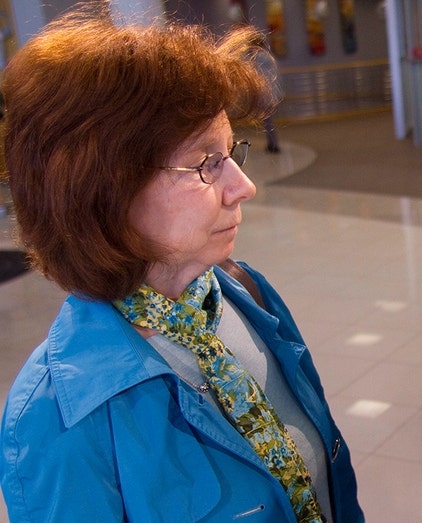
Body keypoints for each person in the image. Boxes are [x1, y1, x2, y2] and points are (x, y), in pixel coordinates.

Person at [0, 7, 363, 522]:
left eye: (231, 151)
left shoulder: (244, 293)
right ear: (101, 190)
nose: (243, 186)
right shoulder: (57, 416)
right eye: (205, 163)